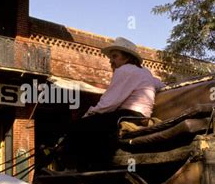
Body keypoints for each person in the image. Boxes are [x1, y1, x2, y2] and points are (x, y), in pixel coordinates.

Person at [61, 37, 165, 169]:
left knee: (79, 127)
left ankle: (77, 168)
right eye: (111, 57)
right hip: (140, 117)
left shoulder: (124, 70)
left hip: (128, 115)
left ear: (127, 57)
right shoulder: (145, 72)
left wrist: (88, 114)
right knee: (95, 126)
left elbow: (109, 103)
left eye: (115, 56)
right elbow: (161, 85)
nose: (111, 60)